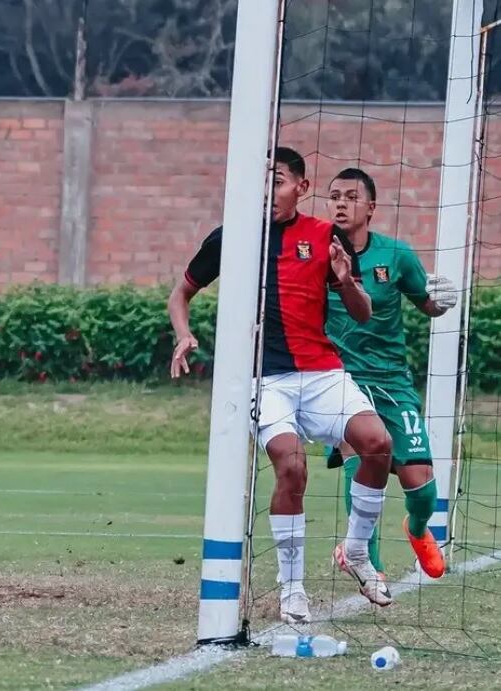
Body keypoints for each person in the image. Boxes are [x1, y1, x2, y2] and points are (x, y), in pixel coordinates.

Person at [169, 146, 394, 625]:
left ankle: (356, 551)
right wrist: (184, 334)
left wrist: (347, 282)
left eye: (277, 179)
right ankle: (292, 589)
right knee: (292, 467)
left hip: (321, 373)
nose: (267, 189)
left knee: (378, 444)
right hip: (263, 380)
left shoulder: (324, 236)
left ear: (301, 187)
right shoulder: (231, 237)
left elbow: (362, 312)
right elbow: (181, 293)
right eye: (261, 180)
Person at [323, 167, 457, 581]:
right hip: (340, 378)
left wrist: (441, 302)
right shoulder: (318, 252)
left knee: (422, 485)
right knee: (359, 456)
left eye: (351, 196)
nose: (341, 203)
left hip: (392, 380)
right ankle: (368, 563)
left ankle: (417, 530)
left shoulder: (396, 255)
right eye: (334, 196)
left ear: (371, 207)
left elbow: (426, 304)